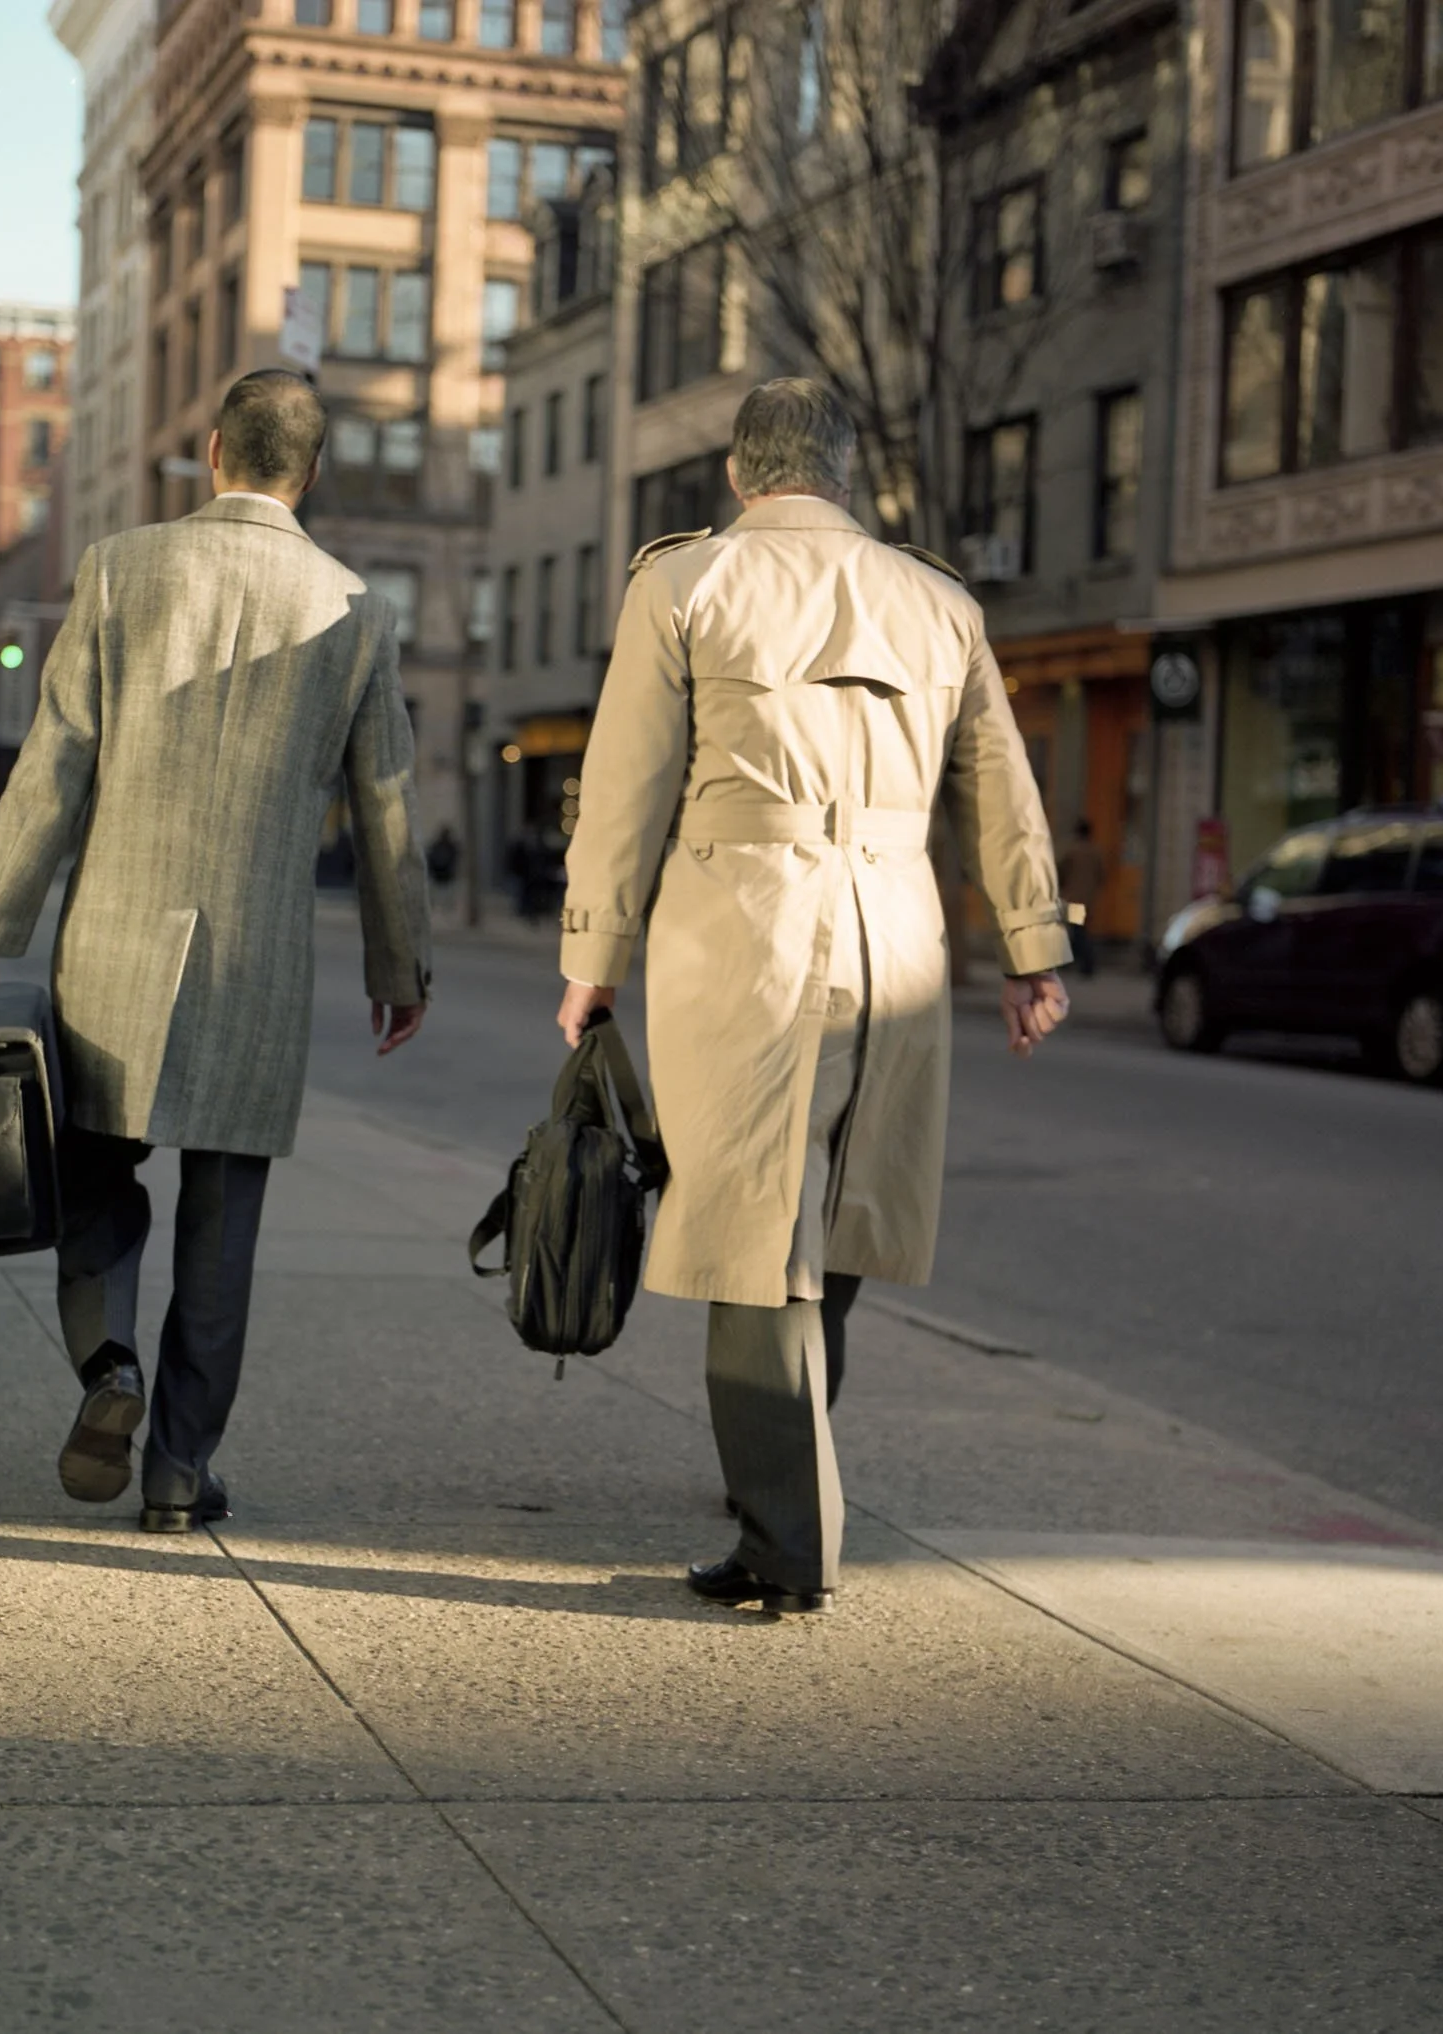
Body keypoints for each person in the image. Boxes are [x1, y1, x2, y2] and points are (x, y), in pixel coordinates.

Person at [556, 380, 1076, 1616]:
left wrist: (592, 957)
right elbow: (999, 787)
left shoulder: (683, 584)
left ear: (739, 474)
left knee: (751, 1231)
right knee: (832, 1217)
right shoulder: (939, 601)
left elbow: (625, 786)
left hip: (748, 927)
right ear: (845, 476)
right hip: (895, 928)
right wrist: (1031, 949)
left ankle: (784, 1545)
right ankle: (782, 1480)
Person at [0, 370, 432, 1534]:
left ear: (213, 451)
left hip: (112, 943)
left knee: (93, 1178)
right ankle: (176, 1472)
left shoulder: (121, 568)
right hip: (254, 963)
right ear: (309, 472)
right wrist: (397, 965)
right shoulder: (355, 608)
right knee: (224, 1224)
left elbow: (55, 761)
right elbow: (386, 803)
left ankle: (107, 1367)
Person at [1057, 818, 1106, 978]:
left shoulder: (1071, 851)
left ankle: (1085, 963)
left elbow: (1060, 871)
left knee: (1078, 931)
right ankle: (1077, 961)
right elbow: (1101, 875)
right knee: (1080, 930)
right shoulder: (1095, 852)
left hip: (1073, 897)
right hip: (1089, 898)